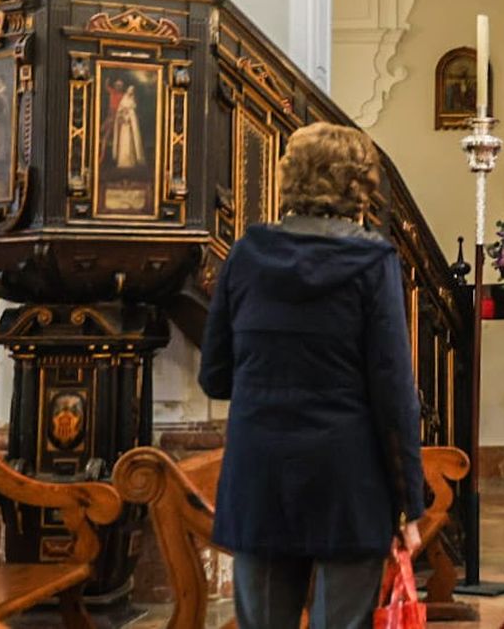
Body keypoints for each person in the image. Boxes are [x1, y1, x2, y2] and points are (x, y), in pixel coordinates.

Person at [199, 122, 425, 629]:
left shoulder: (245, 255)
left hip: (260, 473)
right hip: (348, 475)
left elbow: (214, 376)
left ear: (290, 178)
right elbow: (393, 393)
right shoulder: (372, 260)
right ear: (359, 186)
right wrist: (409, 503)